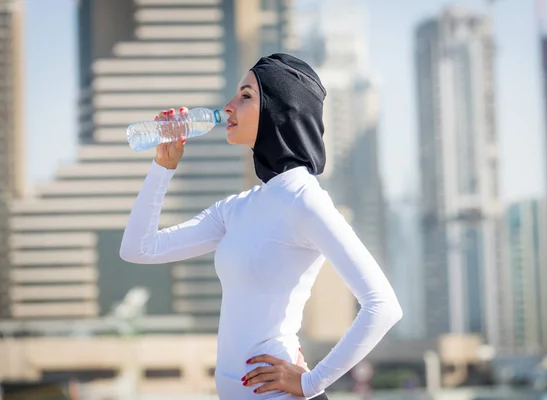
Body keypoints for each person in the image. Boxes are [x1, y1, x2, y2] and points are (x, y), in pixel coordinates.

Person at [119, 53, 402, 399]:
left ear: (279, 110)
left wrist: (311, 383)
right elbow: (138, 249)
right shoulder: (238, 207)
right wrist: (163, 167)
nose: (228, 107)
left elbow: (383, 304)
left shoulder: (304, 199)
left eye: (246, 96)